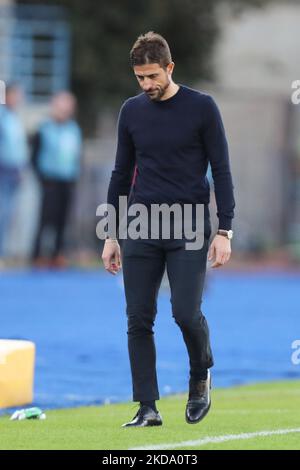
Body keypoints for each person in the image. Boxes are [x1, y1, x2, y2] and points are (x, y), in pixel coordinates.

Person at [102, 32, 235, 427]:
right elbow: (120, 174)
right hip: (140, 225)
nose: (147, 85)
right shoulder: (131, 111)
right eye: (140, 78)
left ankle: (200, 376)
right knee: (138, 319)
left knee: (185, 313)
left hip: (190, 226)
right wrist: (111, 234)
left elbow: (222, 170)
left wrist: (225, 230)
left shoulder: (202, 108)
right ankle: (147, 407)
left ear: (170, 67)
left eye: (153, 76)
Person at [31, 91, 82, 267]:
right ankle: (37, 254)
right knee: (45, 218)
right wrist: (41, 177)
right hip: (49, 180)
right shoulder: (44, 128)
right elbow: (35, 155)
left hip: (67, 179)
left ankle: (57, 253)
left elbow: (76, 155)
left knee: (63, 218)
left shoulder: (74, 129)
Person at [0, 83, 28, 264]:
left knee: (9, 215)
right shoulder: (2, 118)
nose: (18, 99)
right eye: (15, 95)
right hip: (3, 170)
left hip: (15, 172)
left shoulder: (14, 118)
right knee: (2, 213)